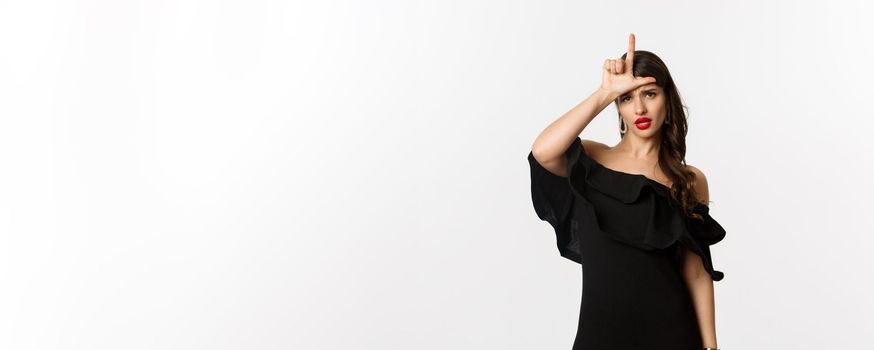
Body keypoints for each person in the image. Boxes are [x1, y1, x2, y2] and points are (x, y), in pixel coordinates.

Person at [527, 33, 725, 350]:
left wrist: (711, 346)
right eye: (628, 98)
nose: (640, 108)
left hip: (672, 335)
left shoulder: (689, 180)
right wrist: (605, 92)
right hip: (599, 335)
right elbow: (543, 152)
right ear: (618, 107)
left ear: (667, 100)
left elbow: (697, 271)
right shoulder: (591, 159)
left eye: (650, 93)